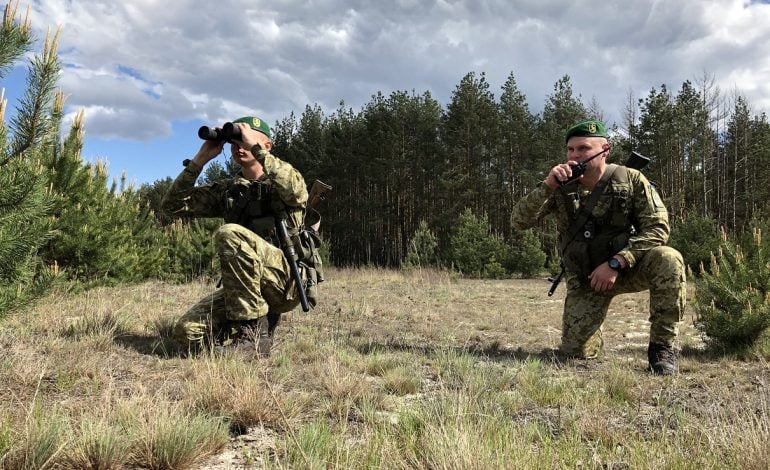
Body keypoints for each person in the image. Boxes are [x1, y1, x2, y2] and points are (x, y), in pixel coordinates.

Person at [511, 119, 686, 375]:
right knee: (576, 354)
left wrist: (617, 262)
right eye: (570, 149)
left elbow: (658, 228)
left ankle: (662, 350)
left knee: (668, 259)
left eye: (583, 148)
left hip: (627, 269)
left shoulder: (630, 180)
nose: (574, 155)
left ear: (605, 150)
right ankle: (590, 335)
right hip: (586, 279)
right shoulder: (559, 187)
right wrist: (547, 186)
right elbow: (519, 222)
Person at [162, 116, 312, 357]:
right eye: (235, 142)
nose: (239, 147)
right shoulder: (230, 191)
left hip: (286, 282)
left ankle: (253, 338)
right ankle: (247, 327)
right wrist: (200, 159)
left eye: (244, 141)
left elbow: (297, 192)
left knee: (230, 233)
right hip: (244, 286)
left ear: (266, 145)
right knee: (186, 333)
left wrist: (255, 147)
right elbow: (172, 206)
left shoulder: (285, 179)